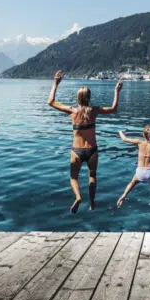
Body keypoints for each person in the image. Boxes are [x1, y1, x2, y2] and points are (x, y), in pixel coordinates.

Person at [48, 70, 123, 213]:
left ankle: (78, 197)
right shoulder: (94, 111)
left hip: (76, 151)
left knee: (73, 177)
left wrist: (55, 83)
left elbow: (50, 102)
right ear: (89, 98)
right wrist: (116, 91)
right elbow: (113, 109)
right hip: (92, 151)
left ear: (78, 98)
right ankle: (92, 202)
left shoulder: (72, 111)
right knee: (92, 176)